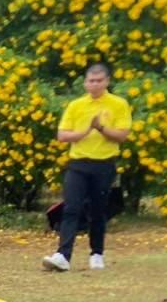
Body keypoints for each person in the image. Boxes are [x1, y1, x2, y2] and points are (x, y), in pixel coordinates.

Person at [43, 64, 130, 272]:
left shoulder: (118, 104)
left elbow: (122, 135)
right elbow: (62, 136)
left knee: (98, 210)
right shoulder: (76, 105)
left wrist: (101, 128)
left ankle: (97, 253)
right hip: (78, 163)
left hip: (104, 163)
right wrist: (86, 131)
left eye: (99, 81)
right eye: (91, 81)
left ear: (107, 82)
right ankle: (63, 255)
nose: (95, 84)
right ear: (85, 83)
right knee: (71, 208)